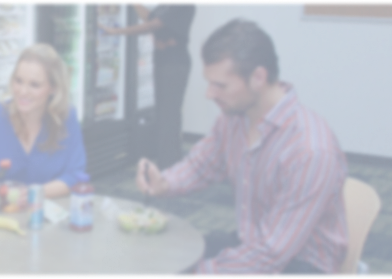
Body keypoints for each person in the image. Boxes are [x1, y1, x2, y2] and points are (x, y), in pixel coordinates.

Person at [134, 19, 348, 278]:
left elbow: (270, 255)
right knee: (159, 254)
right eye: (209, 82)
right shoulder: (234, 118)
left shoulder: (310, 151)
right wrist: (165, 183)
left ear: (258, 77)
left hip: (301, 265)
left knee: (176, 270)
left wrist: (197, 273)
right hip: (253, 244)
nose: (209, 94)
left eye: (220, 85)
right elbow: (201, 165)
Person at [0, 44, 87, 199]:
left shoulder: (66, 117)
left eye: (34, 85)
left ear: (53, 88)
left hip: (46, 212)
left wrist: (34, 195)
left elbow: (75, 175)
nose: (22, 92)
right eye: (18, 81)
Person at [100, 1, 196, 169]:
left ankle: (170, 168)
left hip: (175, 63)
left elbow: (153, 25)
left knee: (169, 117)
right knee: (164, 114)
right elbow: (149, 16)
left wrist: (116, 31)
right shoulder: (167, 4)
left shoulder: (182, 3)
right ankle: (167, 164)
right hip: (164, 60)